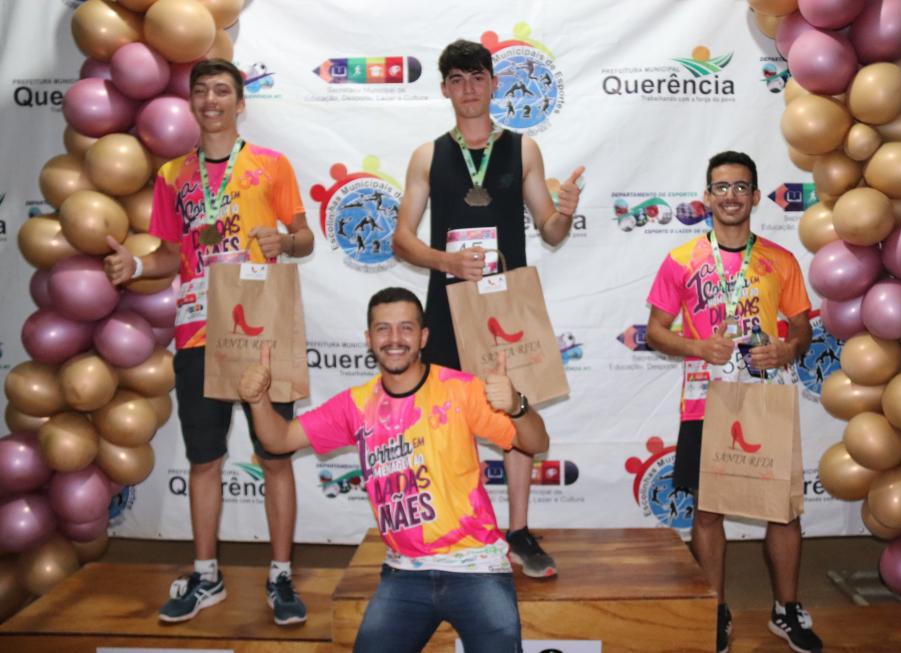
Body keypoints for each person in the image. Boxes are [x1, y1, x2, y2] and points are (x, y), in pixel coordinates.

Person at [103, 58, 315, 626]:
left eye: (222, 90)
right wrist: (135, 266)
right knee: (204, 460)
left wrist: (286, 241)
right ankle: (206, 575)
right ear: (192, 103)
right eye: (202, 91)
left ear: (240, 103)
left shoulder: (271, 165)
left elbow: (305, 238)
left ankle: (281, 575)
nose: (212, 100)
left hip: (262, 329)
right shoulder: (173, 174)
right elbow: (170, 256)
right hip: (198, 330)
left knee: (275, 456)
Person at [238, 287, 550, 652]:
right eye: (383, 329)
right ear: (369, 339)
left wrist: (516, 405)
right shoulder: (355, 405)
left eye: (406, 327)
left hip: (477, 567)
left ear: (423, 337)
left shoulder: (459, 389)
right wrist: (258, 401)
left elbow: (535, 442)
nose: (395, 339)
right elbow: (278, 440)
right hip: (405, 573)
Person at [392, 38, 583, 578]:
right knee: (445, 418)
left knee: (515, 413)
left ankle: (518, 531)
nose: (469, 89)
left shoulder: (523, 150)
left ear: (495, 83)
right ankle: (457, 527)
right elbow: (401, 239)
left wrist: (566, 212)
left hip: (507, 303)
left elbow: (549, 230)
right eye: (457, 80)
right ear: (444, 89)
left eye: (478, 77)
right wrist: (447, 261)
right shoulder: (427, 155)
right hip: (448, 304)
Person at [644, 151, 822, 653]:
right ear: (707, 197)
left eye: (741, 187)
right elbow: (656, 332)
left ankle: (786, 609)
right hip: (707, 400)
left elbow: (803, 328)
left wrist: (787, 349)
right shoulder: (681, 259)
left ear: (755, 197)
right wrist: (698, 346)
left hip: (764, 397)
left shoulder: (780, 260)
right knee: (707, 512)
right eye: (721, 187)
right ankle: (715, 609)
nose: (731, 196)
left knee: (782, 512)